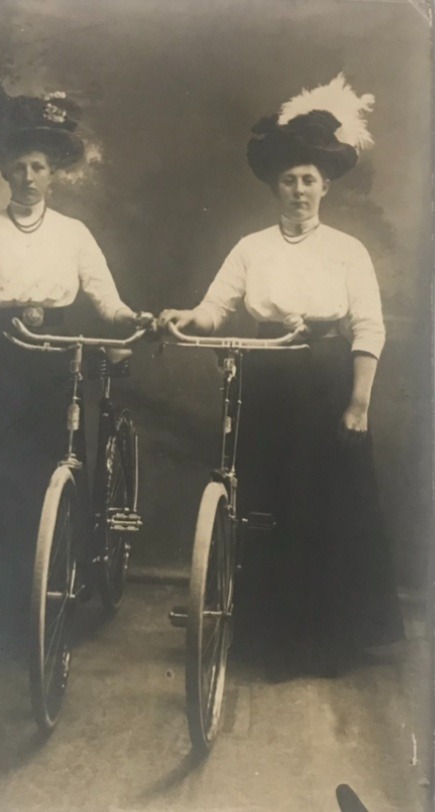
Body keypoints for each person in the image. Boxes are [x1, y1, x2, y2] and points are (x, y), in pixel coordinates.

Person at [159, 74, 404, 675]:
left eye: (309, 180)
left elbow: (368, 328)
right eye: (290, 180)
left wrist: (358, 403)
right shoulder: (251, 248)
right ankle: (269, 639)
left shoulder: (348, 250)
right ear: (276, 186)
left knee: (322, 508)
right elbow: (215, 308)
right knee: (263, 505)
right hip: (263, 383)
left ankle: (325, 642)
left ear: (326, 186)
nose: (299, 190)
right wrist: (188, 317)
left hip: (325, 385)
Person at [0, 88, 141, 636]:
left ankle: (52, 601)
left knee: (53, 474)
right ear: (4, 171)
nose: (28, 177)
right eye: (19, 167)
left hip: (57, 361)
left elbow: (105, 298)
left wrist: (131, 320)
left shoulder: (74, 234)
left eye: (38, 167)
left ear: (53, 172)